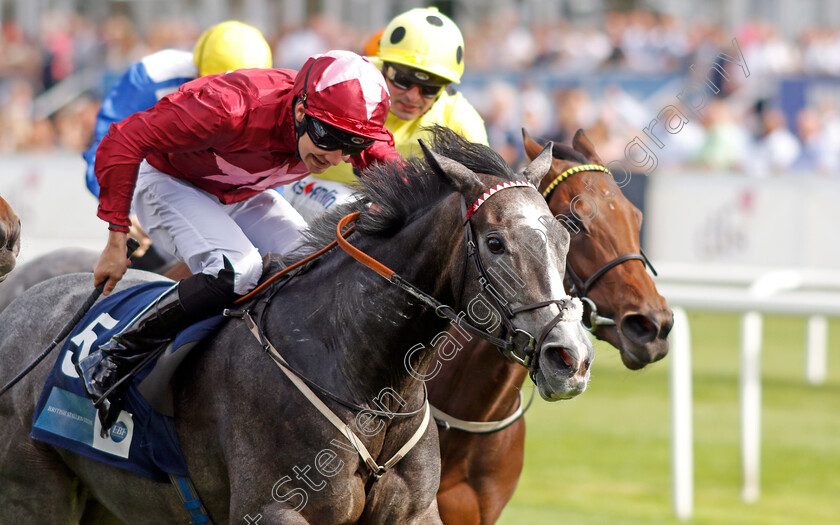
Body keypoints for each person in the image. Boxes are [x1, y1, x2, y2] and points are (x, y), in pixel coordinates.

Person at [77, 50, 400, 430]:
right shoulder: (229, 107)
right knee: (239, 270)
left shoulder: (331, 131)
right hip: (168, 181)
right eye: (328, 137)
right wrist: (115, 242)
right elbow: (121, 139)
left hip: (238, 191)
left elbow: (409, 181)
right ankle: (116, 353)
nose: (335, 156)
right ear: (299, 111)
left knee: (317, 263)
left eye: (352, 145)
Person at [82, 21, 273, 267]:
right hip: (155, 199)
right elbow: (103, 150)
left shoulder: (271, 97)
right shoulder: (152, 76)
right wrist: (126, 215)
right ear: (197, 71)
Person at [285, 7, 488, 221]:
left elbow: (484, 192)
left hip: (384, 201)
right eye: (403, 79)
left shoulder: (462, 119)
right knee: (356, 217)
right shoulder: (347, 80)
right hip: (311, 182)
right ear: (384, 66)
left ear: (445, 87)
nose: (412, 96)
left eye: (430, 88)